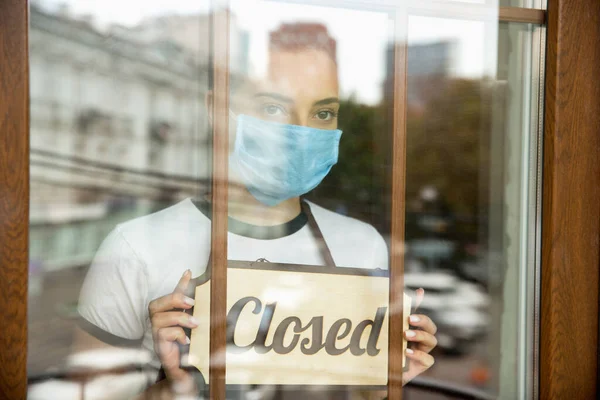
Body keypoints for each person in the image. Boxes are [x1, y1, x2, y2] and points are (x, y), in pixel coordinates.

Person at [75, 22, 437, 398]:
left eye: (323, 113)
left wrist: (379, 387)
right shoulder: (136, 247)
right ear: (217, 110)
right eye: (273, 106)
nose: (302, 131)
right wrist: (172, 390)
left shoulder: (363, 247)